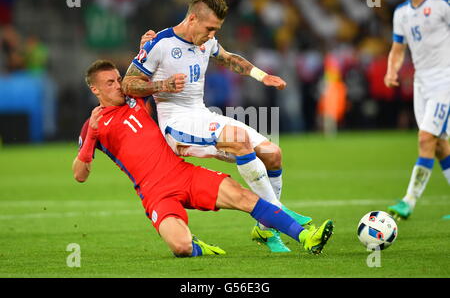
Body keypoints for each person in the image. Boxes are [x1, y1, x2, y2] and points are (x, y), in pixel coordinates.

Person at [72, 60, 334, 257]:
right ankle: (198, 248)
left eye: (118, 79)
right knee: (181, 246)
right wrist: (92, 136)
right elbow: (79, 175)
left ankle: (306, 236)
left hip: (183, 173)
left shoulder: (134, 99)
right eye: (110, 83)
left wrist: (146, 45)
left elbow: (147, 70)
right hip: (154, 193)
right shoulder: (92, 125)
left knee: (244, 197)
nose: (118, 85)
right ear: (95, 89)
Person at [122, 0, 311, 253]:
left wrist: (262, 75)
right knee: (239, 141)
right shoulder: (160, 43)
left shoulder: (206, 41)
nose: (212, 35)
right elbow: (127, 84)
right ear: (191, 18)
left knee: (272, 153)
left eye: (216, 30)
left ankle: (266, 230)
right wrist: (161, 85)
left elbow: (229, 58)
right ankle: (283, 217)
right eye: (209, 28)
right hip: (177, 124)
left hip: (202, 115)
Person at [384, 0, 450, 220]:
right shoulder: (401, 13)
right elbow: (398, 49)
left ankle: (408, 201)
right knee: (440, 146)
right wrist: (392, 70)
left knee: (425, 138)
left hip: (445, 81)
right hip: (421, 85)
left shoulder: (443, 5)